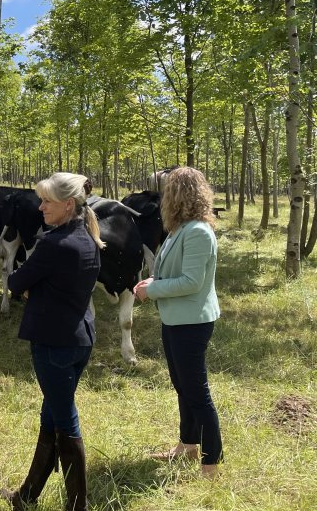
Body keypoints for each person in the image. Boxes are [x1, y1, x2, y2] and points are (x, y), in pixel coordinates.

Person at [0, 172, 103, 511]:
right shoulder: (88, 236)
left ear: (68, 204)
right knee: (52, 415)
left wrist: (33, 287)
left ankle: (78, 507)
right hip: (79, 337)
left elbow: (15, 282)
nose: (40, 206)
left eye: (47, 201)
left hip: (54, 343)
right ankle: (27, 495)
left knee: (65, 420)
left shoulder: (54, 244)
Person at [133, 166, 222, 478]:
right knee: (182, 385)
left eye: (166, 190)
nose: (162, 196)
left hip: (192, 322)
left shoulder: (197, 231)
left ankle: (211, 463)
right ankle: (187, 445)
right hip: (176, 318)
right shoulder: (179, 229)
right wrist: (153, 280)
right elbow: (174, 271)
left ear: (177, 195)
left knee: (197, 391)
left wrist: (153, 289)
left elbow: (192, 282)